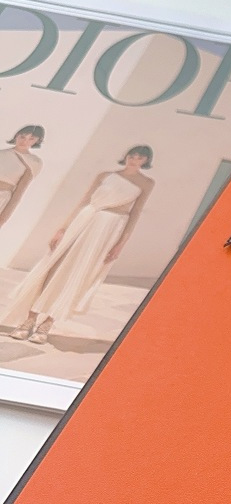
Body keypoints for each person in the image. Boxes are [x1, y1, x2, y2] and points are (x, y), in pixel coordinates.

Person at [4, 145, 154, 345]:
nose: (134, 160)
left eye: (140, 158)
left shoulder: (146, 183)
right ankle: (29, 320)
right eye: (132, 155)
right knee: (53, 267)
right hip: (84, 219)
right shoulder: (105, 175)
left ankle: (47, 324)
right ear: (126, 156)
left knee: (78, 271)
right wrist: (62, 229)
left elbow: (135, 213)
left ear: (146, 161)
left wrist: (121, 243)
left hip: (109, 229)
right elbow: (84, 202)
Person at [0, 125, 45, 230]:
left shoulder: (33, 162)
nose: (25, 141)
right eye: (22, 136)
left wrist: (3, 219)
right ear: (17, 135)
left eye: (31, 139)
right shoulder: (2, 154)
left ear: (37, 141)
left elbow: (19, 192)